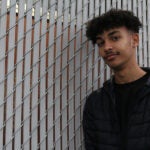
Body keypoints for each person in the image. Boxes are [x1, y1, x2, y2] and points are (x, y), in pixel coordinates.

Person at [82, 9, 150, 150]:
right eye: (101, 43)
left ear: (134, 40)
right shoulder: (95, 103)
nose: (107, 47)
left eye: (115, 38)